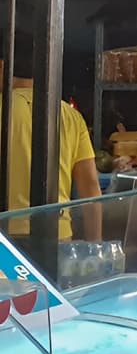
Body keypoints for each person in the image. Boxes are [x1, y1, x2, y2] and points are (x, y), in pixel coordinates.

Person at [3, 33, 102, 239]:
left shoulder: (5, 109)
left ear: (2, 66)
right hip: (57, 234)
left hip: (6, 239)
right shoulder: (70, 116)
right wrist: (95, 244)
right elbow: (90, 187)